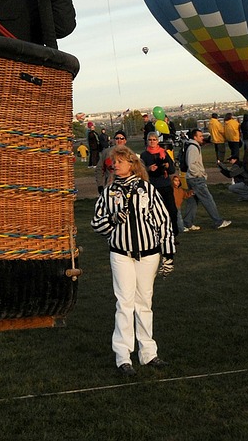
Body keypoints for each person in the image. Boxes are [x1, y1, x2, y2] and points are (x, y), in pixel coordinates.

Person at [91, 145, 174, 375]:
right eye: (113, 162)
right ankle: (123, 357)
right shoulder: (108, 193)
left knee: (144, 303)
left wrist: (168, 254)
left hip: (149, 255)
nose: (114, 165)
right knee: (124, 303)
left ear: (131, 163)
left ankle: (148, 353)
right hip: (121, 255)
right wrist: (113, 220)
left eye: (119, 161)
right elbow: (96, 223)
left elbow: (164, 222)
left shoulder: (147, 189)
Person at [180, 129, 231, 231]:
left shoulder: (190, 146)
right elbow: (192, 164)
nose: (202, 137)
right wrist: (199, 175)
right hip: (196, 179)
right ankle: (218, 221)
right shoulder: (193, 148)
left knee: (193, 201)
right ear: (194, 137)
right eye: (200, 136)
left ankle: (187, 223)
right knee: (208, 200)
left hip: (192, 178)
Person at [140, 132, 180, 239]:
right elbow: (140, 172)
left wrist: (167, 165)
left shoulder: (164, 153)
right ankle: (157, 234)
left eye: (154, 139)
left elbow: (172, 170)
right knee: (156, 212)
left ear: (158, 141)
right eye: (150, 140)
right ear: (147, 141)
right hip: (153, 187)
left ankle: (173, 234)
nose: (152, 142)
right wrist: (148, 169)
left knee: (172, 210)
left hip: (166, 185)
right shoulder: (144, 155)